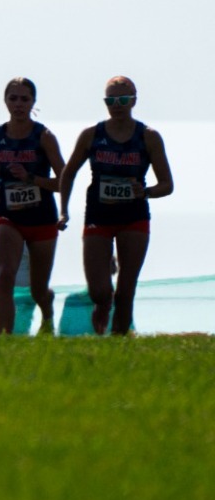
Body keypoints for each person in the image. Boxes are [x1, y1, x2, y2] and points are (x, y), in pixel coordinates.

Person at [57, 76, 173, 335]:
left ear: (133, 100)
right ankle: (102, 304)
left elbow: (167, 184)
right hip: (99, 214)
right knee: (99, 291)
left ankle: (119, 341)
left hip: (134, 217)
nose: (117, 105)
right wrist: (63, 210)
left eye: (122, 99)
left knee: (126, 287)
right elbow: (69, 172)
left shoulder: (149, 137)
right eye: (111, 100)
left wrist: (147, 191)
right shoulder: (91, 135)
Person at [0, 78, 65, 334]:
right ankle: (5, 338)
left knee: (37, 288)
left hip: (42, 218)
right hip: (9, 217)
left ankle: (47, 311)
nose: (18, 105)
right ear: (5, 101)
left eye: (24, 99)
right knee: (5, 274)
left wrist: (32, 179)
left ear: (33, 102)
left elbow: (64, 181)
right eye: (13, 99)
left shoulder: (43, 137)